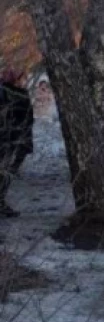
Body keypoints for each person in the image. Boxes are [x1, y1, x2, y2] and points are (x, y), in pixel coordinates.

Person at [0, 70, 34, 218]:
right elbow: (25, 118)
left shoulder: (9, 92)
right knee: (7, 172)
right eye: (23, 78)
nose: (25, 81)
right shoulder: (16, 95)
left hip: (12, 140)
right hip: (12, 140)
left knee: (7, 172)